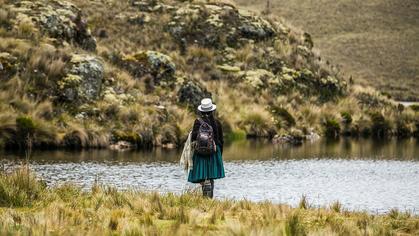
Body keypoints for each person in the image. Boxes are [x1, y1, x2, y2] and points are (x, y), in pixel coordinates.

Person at [187, 98, 225, 198]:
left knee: (203, 178)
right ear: (212, 110)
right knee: (211, 177)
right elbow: (221, 141)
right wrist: (219, 154)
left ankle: (205, 196)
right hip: (214, 152)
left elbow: (194, 138)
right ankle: (209, 198)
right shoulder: (217, 123)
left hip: (200, 153)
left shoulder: (198, 122)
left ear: (201, 111)